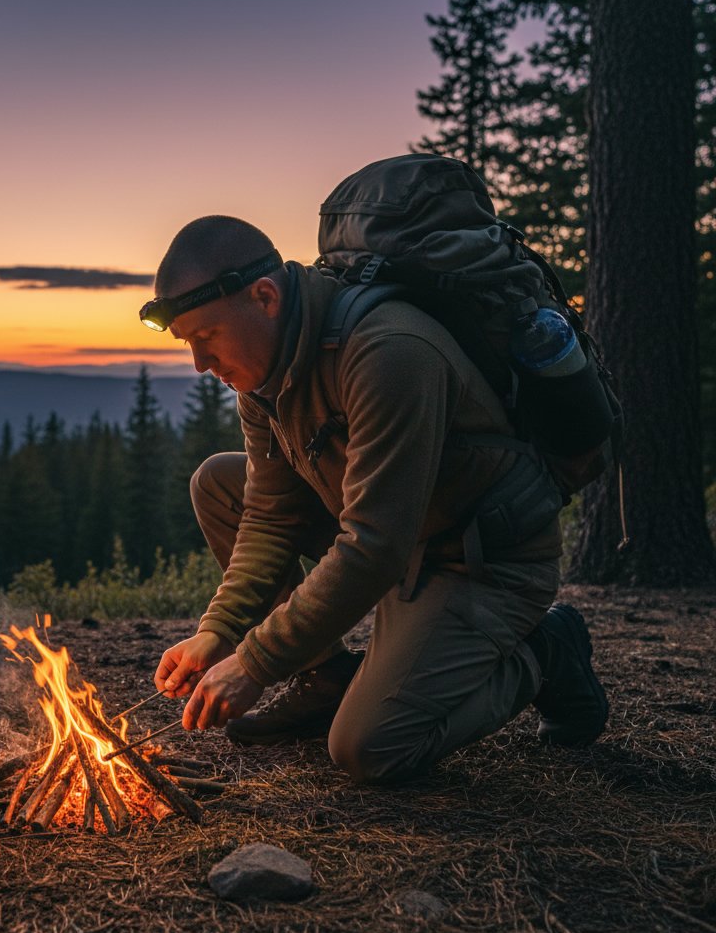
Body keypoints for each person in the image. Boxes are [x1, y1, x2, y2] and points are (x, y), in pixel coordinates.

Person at [141, 215, 608, 785]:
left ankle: (545, 655)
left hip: (480, 556)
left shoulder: (389, 350)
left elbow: (372, 547)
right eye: (189, 344)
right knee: (220, 483)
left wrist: (256, 662)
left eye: (205, 338)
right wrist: (218, 632)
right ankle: (327, 678)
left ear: (263, 297)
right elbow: (269, 516)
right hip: (395, 535)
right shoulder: (265, 376)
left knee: (371, 748)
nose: (199, 364)